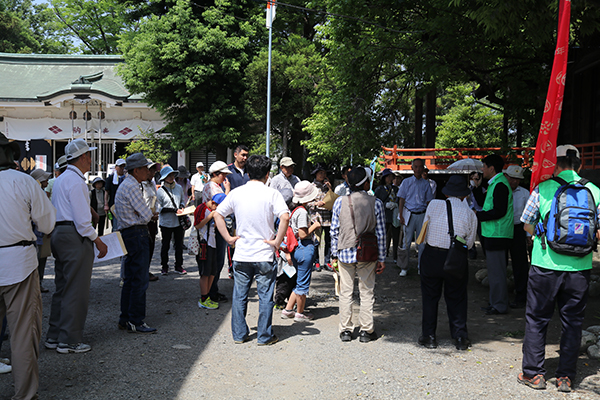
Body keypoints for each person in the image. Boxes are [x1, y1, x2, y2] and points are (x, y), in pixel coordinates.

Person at [518, 145, 600, 393]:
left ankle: (534, 375)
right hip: (580, 268)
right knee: (573, 323)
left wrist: (541, 236)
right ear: (579, 164)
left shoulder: (544, 188)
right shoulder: (594, 191)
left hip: (545, 266)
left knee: (537, 319)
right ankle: (565, 377)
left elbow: (526, 224)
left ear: (556, 164)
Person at [0, 132, 56, 399]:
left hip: (15, 258)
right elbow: (46, 224)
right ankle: (24, 395)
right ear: (9, 155)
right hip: (17, 261)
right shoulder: (23, 181)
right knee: (22, 333)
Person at [214, 155, 289, 345]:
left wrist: (229, 238)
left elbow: (218, 214)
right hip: (264, 252)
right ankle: (264, 336)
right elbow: (285, 217)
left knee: (239, 295)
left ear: (247, 173)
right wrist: (276, 242)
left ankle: (239, 334)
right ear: (267, 174)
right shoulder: (272, 193)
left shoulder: (236, 193)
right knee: (265, 297)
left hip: (242, 253)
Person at [46, 139, 108, 355]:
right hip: (74, 235)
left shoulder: (62, 179)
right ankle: (70, 340)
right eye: (88, 156)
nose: (91, 160)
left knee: (62, 287)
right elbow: (83, 222)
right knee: (76, 290)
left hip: (59, 233)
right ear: (81, 157)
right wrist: (98, 240)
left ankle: (54, 336)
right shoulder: (77, 182)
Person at [418, 175, 477, 351]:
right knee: (457, 297)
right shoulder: (470, 213)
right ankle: (460, 337)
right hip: (455, 257)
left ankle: (429, 336)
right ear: (464, 195)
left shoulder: (434, 205)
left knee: (430, 297)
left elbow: (425, 230)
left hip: (432, 255)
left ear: (446, 193)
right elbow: (471, 242)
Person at [331, 167, 386, 343]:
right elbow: (381, 233)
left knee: (345, 292)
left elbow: (334, 231)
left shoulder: (340, 202)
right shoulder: (376, 203)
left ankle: (346, 330)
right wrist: (382, 258)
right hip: (367, 253)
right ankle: (366, 330)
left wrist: (333, 254)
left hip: (345, 251)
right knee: (367, 291)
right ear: (365, 183)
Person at [115, 153, 158, 334]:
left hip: (128, 233)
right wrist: (151, 214)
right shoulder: (132, 186)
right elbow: (146, 214)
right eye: (145, 169)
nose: (148, 172)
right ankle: (136, 320)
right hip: (137, 233)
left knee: (131, 279)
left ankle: (126, 318)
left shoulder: (127, 184)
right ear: (137, 170)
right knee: (139, 279)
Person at [477, 154, 513, 315]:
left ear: (492, 168)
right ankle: (495, 302)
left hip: (498, 235)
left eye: (484, 166)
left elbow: (499, 211)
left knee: (497, 273)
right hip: (493, 234)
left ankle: (499, 305)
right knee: (494, 272)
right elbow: (485, 203)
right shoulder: (494, 184)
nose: (482, 169)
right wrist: (477, 186)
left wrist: (477, 216)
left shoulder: (500, 185)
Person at [281, 181, 321, 322]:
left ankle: (288, 309)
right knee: (303, 285)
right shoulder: (302, 212)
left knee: (299, 282)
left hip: (296, 250)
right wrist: (315, 225)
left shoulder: (294, 210)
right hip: (304, 248)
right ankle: (300, 313)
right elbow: (303, 234)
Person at [397, 158, 434, 276]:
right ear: (412, 168)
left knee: (422, 242)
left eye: (420, 167)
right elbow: (401, 199)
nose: (418, 169)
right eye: (416, 167)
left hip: (422, 214)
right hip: (409, 214)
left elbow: (429, 201)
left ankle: (420, 266)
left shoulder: (426, 183)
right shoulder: (406, 182)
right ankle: (404, 267)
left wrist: (430, 216)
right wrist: (401, 214)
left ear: (423, 168)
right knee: (406, 242)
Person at [203, 161, 232, 304]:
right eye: (223, 174)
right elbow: (224, 205)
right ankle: (210, 291)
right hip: (213, 228)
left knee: (217, 261)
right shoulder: (212, 187)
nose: (225, 177)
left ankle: (212, 290)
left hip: (215, 227)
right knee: (216, 261)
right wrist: (227, 190)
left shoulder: (214, 186)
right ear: (215, 174)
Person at [503, 165, 530, 309]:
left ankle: (521, 295)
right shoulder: (500, 190)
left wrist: (528, 235)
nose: (515, 182)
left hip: (518, 228)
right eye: (512, 178)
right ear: (506, 177)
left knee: (520, 263)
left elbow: (529, 217)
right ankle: (501, 296)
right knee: (501, 262)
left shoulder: (525, 193)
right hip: (503, 228)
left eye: (518, 179)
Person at [194, 193, 227, 310]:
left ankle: (208, 297)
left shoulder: (213, 210)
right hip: (204, 245)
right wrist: (210, 216)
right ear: (213, 203)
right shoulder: (202, 208)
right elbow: (197, 225)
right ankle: (203, 298)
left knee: (213, 271)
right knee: (205, 272)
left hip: (213, 244)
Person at [156, 165, 187, 275]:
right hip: (166, 222)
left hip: (178, 221)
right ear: (164, 178)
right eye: (168, 175)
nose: (171, 177)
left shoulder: (178, 187)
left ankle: (178, 265)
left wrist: (182, 207)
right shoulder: (160, 191)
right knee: (165, 245)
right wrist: (173, 210)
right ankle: (164, 266)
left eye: (172, 175)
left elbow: (182, 200)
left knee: (179, 245)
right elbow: (159, 208)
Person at [30, 169, 53, 293]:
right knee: (37, 260)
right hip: (37, 232)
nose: (47, 180)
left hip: (41, 232)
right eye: (45, 179)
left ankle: (39, 283)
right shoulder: (36, 193)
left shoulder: (41, 192)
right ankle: (36, 285)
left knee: (42, 258)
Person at [307, 164, 333, 272]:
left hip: (327, 216)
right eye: (320, 173)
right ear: (316, 174)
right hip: (316, 216)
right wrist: (316, 204)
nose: (322, 175)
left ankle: (327, 261)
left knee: (328, 240)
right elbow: (307, 202)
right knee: (316, 241)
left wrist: (330, 188)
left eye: (324, 173)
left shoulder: (327, 186)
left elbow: (333, 199)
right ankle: (316, 262)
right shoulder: (311, 187)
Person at [374, 168, 400, 263]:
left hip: (394, 215)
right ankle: (382, 254)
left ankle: (395, 257)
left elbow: (399, 199)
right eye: (388, 177)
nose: (390, 178)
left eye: (391, 176)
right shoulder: (379, 189)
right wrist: (385, 205)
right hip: (383, 215)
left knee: (396, 236)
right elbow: (376, 202)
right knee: (383, 236)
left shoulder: (395, 189)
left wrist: (395, 205)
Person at [142, 161, 160, 281]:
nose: (153, 173)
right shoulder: (139, 185)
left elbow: (156, 200)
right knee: (143, 247)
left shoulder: (152, 184)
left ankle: (146, 270)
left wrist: (157, 211)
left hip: (153, 219)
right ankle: (141, 272)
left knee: (151, 245)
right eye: (151, 170)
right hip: (143, 220)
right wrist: (149, 215)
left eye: (154, 170)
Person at [104, 158, 126, 229]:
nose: (122, 168)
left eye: (123, 166)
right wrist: (106, 204)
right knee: (115, 226)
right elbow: (106, 192)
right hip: (114, 205)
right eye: (120, 166)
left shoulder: (127, 178)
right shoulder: (111, 178)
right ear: (116, 167)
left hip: (125, 206)